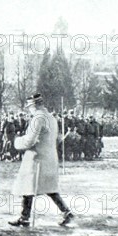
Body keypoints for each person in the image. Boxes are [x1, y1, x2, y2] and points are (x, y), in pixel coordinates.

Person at [9, 94, 74, 227]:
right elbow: (57, 139)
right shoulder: (52, 118)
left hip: (36, 157)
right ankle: (65, 211)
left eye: (29, 107)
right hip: (50, 157)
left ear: (34, 105)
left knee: (28, 187)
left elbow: (29, 141)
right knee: (49, 188)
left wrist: (16, 141)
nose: (29, 110)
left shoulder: (37, 118)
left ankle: (24, 217)